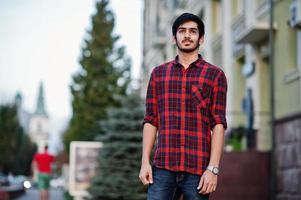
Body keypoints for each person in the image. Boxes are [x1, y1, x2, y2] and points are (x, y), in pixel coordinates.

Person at [139, 13, 228, 200]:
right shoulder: (158, 74)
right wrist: (145, 162)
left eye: (193, 31)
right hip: (163, 168)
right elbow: (151, 120)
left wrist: (213, 169)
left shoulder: (215, 75)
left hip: (198, 169)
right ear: (174, 38)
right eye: (182, 31)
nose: (187, 35)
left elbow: (218, 124)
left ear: (201, 38)